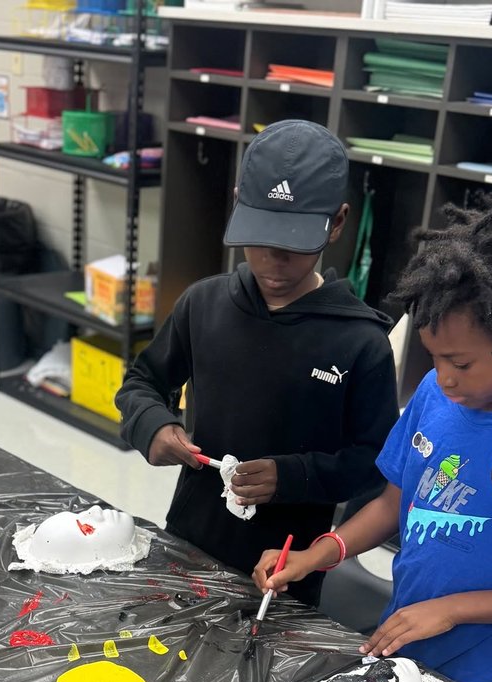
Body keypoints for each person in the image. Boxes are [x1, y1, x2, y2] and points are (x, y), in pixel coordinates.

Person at [254, 195, 492, 682]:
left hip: (490, 679)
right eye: (434, 358)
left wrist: (454, 609)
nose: (443, 378)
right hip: (411, 647)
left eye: (460, 363)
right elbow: (394, 504)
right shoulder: (437, 395)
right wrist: (317, 555)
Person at [116, 120, 398, 605]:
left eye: (292, 246)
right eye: (260, 236)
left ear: (337, 221)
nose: (272, 261)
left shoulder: (361, 343)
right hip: (188, 537)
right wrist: (152, 426)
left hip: (287, 567)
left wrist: (293, 476)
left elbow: (373, 464)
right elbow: (141, 382)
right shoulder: (203, 303)